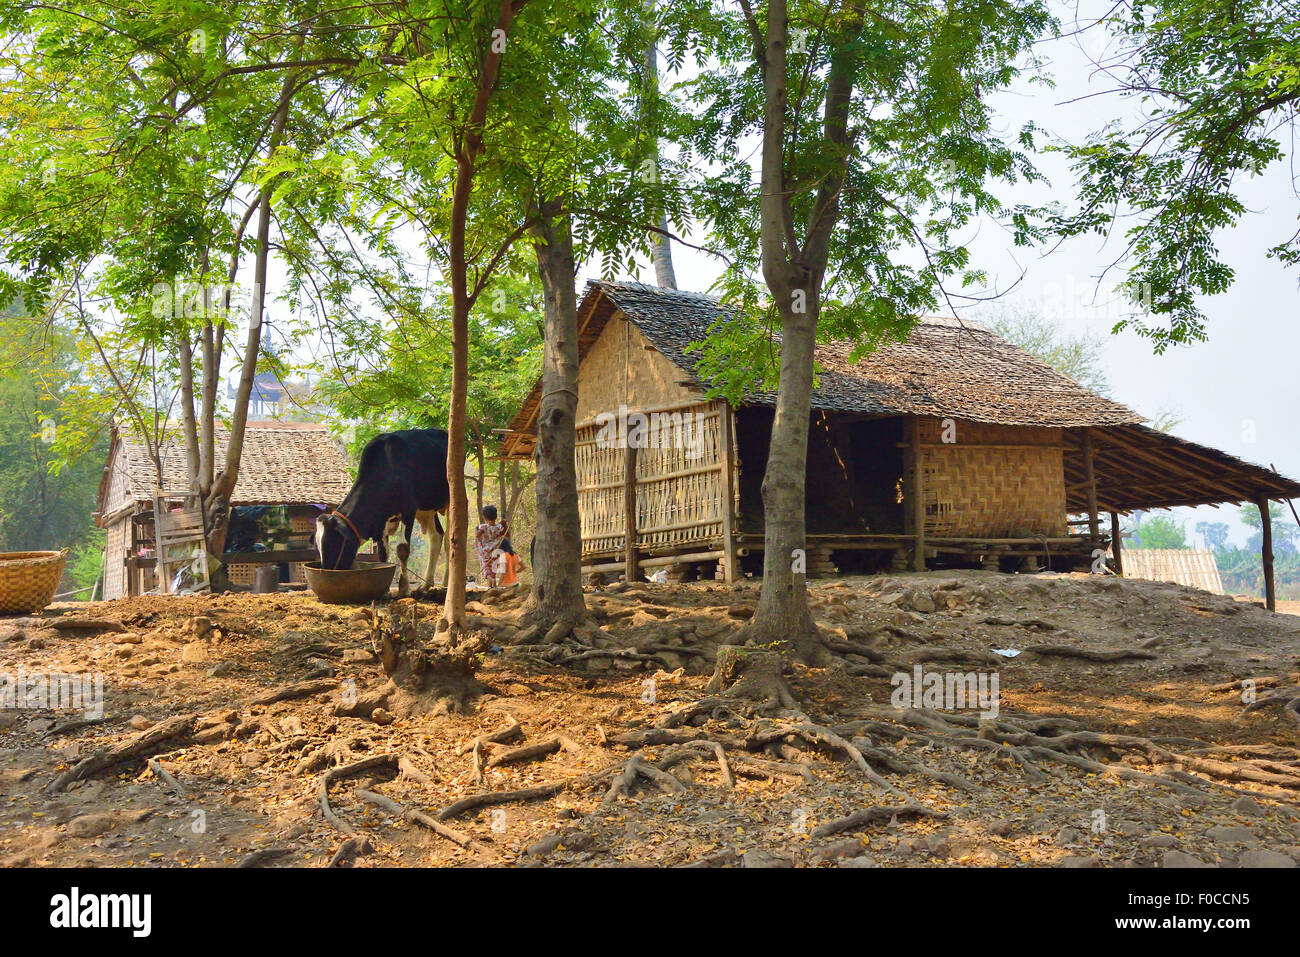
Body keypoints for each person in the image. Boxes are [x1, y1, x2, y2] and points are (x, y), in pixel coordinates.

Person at [473, 504, 509, 587]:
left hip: (485, 552)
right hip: (495, 551)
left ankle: (491, 579)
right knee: (494, 567)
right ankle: (492, 587)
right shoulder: (498, 527)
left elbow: (478, 535)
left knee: (486, 567)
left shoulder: (483, 527)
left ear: (485, 518)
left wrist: (477, 530)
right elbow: (505, 533)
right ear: (495, 517)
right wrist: (504, 524)